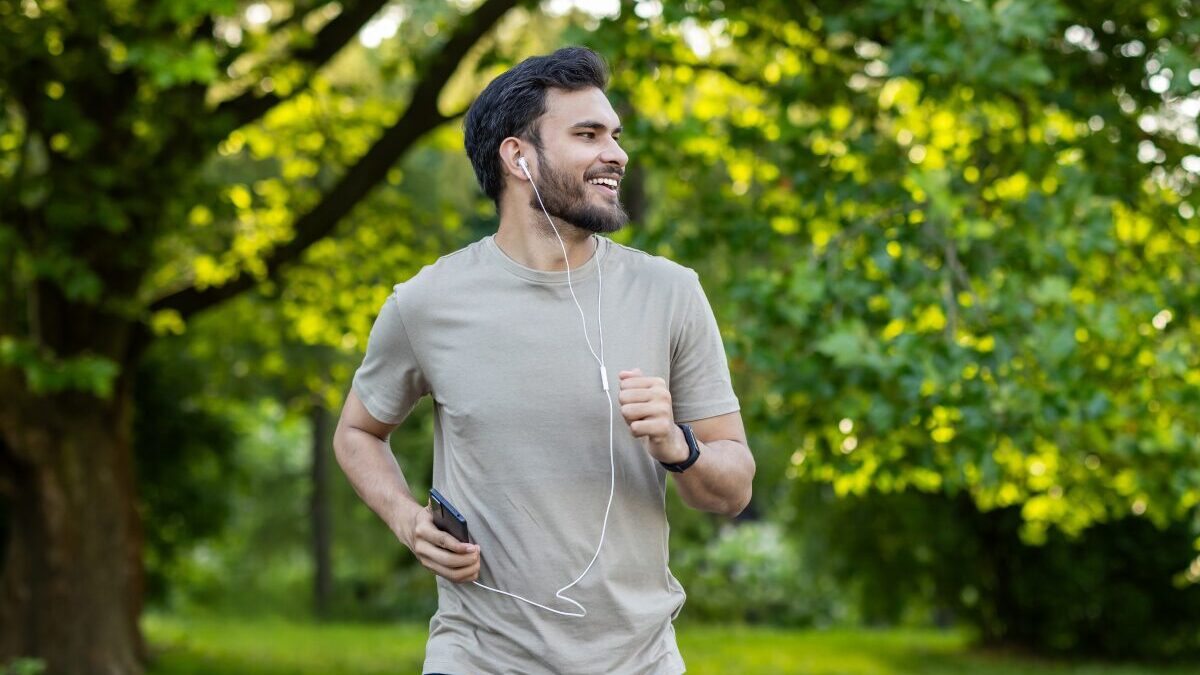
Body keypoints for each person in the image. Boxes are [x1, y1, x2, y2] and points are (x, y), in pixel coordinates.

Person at [333, 46, 755, 675]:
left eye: (615, 134)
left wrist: (677, 443)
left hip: (637, 660)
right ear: (518, 156)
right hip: (478, 656)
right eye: (588, 134)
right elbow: (357, 432)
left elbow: (734, 487)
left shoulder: (670, 292)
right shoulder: (427, 303)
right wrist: (406, 520)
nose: (616, 153)